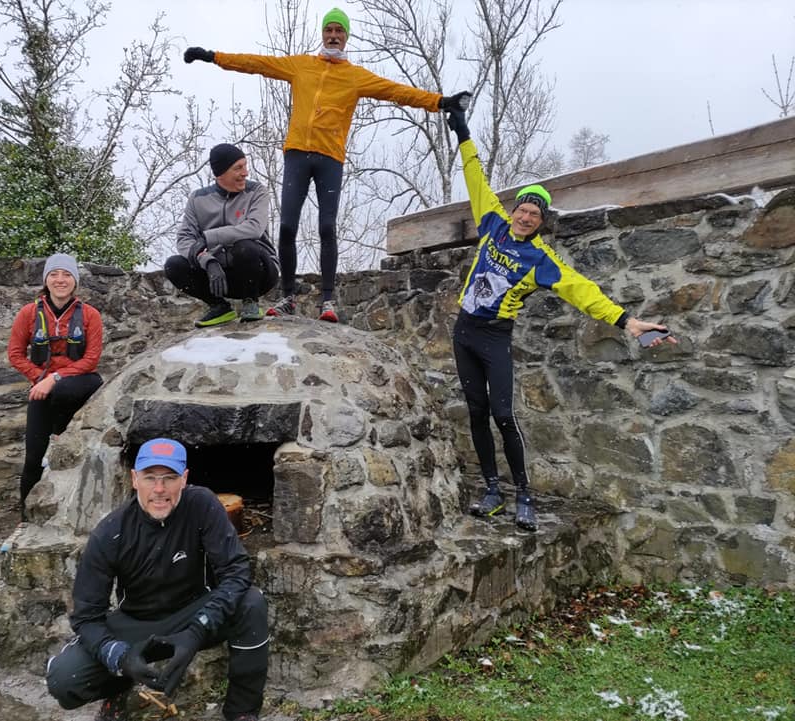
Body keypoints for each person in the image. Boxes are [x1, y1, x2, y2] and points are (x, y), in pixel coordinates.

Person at [443, 105, 677, 533]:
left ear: (541, 222)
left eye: (535, 214)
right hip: (464, 332)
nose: (526, 216)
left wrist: (627, 321)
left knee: (503, 415)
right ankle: (493, 490)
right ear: (515, 210)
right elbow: (476, 178)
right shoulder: (493, 223)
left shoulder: (541, 260)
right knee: (476, 411)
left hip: (495, 338)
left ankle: (523, 495)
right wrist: (462, 132)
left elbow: (582, 290)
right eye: (523, 209)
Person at [184, 7, 471, 323]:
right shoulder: (301, 66)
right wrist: (212, 56)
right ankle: (288, 298)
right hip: (297, 155)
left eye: (339, 31)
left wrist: (440, 102)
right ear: (323, 33)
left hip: (330, 159)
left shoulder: (355, 76)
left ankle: (328, 301)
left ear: (346, 36)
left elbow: (397, 92)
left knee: (326, 227)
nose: (333, 36)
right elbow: (257, 64)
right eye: (329, 30)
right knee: (287, 227)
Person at [46, 438, 269, 721]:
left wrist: (197, 629)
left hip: (195, 612)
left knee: (251, 602)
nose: (159, 489)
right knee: (64, 679)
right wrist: (121, 657)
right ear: (134, 479)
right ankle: (119, 688)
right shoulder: (110, 532)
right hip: (137, 622)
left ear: (184, 479)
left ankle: (242, 712)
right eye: (150, 477)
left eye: (170, 478)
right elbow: (87, 617)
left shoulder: (202, 505)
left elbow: (236, 571)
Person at [7, 253, 103, 522]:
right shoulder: (28, 313)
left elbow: (91, 359)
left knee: (66, 389)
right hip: (42, 388)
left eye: (67, 275)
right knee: (33, 458)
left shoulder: (90, 315)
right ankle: (26, 519)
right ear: (46, 280)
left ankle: (60, 431)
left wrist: (54, 378)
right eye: (54, 274)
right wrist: (40, 378)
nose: (60, 280)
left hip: (79, 384)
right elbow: (15, 354)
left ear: (75, 281)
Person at [165, 143, 279, 327]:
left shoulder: (257, 191)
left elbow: (254, 228)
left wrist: (208, 238)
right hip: (218, 279)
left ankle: (251, 302)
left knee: (244, 246)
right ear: (220, 174)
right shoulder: (197, 199)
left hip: (257, 272)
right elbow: (185, 239)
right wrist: (207, 261)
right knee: (174, 265)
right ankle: (219, 306)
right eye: (238, 168)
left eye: (245, 166)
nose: (245, 173)